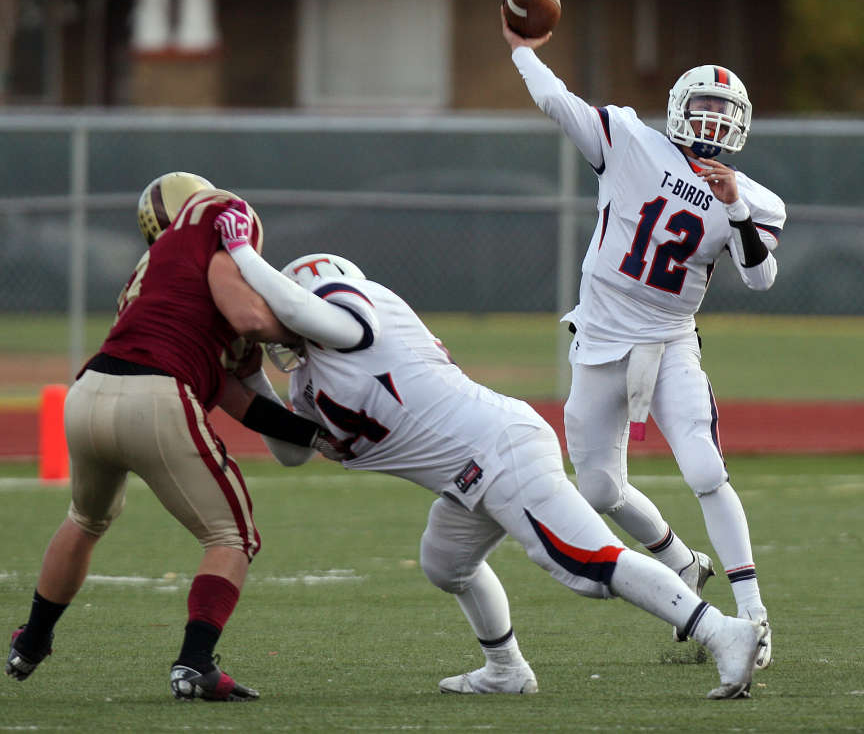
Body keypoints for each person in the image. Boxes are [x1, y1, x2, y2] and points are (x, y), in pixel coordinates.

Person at [211, 206, 770, 700]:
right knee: (445, 563)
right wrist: (249, 375)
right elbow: (291, 452)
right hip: (468, 475)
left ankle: (723, 632)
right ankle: (505, 669)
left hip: (500, 448)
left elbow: (304, 311)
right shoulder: (308, 378)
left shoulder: (350, 302)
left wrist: (240, 251)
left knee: (588, 560)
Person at [501, 8, 785, 668]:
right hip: (601, 337)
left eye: (724, 112)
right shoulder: (629, 140)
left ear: (740, 124)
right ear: (680, 108)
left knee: (706, 469)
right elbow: (557, 101)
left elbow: (760, 278)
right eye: (704, 107)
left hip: (668, 341)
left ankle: (753, 616)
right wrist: (522, 50)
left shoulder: (753, 197)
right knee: (600, 491)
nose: (712, 121)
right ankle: (682, 561)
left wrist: (735, 205)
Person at [5, 173, 339, 701]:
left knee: (86, 519)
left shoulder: (150, 278)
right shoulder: (220, 212)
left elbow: (238, 397)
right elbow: (249, 319)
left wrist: (315, 436)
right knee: (232, 537)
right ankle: (194, 663)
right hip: (156, 397)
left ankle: (31, 642)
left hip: (89, 393)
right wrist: (312, 328)